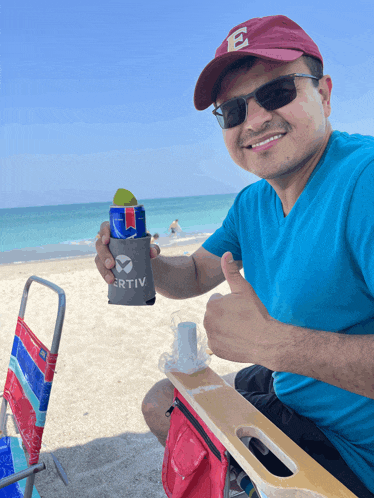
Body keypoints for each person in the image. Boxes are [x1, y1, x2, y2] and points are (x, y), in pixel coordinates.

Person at [95, 15, 374, 496]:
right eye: (233, 110)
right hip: (294, 394)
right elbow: (195, 273)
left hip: (354, 449)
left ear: (324, 94)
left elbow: (272, 343)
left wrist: (272, 344)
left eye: (277, 92)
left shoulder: (363, 183)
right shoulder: (254, 202)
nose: (256, 118)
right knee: (162, 403)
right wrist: (145, 261)